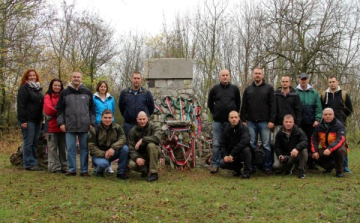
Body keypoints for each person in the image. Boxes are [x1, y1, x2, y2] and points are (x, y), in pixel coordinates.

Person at [57, 71, 95, 177]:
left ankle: (84, 170)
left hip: (84, 126)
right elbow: (59, 110)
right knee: (70, 148)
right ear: (71, 78)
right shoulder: (64, 93)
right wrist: (61, 123)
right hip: (69, 125)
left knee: (84, 149)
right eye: (74, 77)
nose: (76, 79)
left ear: (81, 78)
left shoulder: (87, 93)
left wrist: (92, 122)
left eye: (78, 77)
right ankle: (72, 169)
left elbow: (92, 109)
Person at [240, 68, 276, 174]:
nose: (257, 75)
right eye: (256, 73)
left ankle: (267, 166)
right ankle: (253, 166)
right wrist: (243, 120)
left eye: (259, 74)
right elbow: (244, 106)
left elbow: (273, 105)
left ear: (262, 75)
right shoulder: (248, 89)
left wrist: (272, 120)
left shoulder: (269, 88)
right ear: (253, 75)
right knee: (252, 144)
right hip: (251, 121)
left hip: (265, 122)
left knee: (266, 145)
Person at [207, 69, 241, 174]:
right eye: (223, 75)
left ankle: (232, 165)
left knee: (231, 143)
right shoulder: (215, 89)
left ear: (229, 76)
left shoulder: (235, 89)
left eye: (227, 75)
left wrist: (234, 117)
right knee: (216, 144)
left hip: (230, 123)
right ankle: (214, 165)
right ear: (219, 77)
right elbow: (209, 103)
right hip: (217, 121)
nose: (225, 77)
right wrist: (215, 113)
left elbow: (238, 103)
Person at [321, 76, 353, 173]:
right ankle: (330, 165)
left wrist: (342, 117)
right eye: (330, 82)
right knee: (327, 143)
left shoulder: (344, 94)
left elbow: (350, 109)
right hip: (327, 125)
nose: (332, 84)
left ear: (337, 82)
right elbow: (322, 109)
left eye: (333, 82)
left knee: (342, 144)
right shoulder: (323, 94)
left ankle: (345, 165)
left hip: (340, 124)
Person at [88, 109, 129, 179]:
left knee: (125, 148)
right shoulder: (95, 130)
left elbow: (123, 139)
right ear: (101, 118)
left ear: (112, 118)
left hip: (112, 152)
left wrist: (113, 148)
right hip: (99, 155)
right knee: (104, 164)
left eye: (109, 118)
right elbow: (91, 147)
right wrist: (104, 154)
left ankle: (121, 172)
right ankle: (98, 171)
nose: (107, 120)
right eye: (105, 118)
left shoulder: (117, 128)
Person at [17, 69, 44, 171]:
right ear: (26, 77)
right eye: (30, 76)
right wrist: (23, 120)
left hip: (37, 119)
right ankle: (28, 163)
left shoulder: (38, 89)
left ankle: (33, 162)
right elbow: (21, 105)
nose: (32, 77)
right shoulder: (24, 88)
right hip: (28, 120)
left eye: (34, 75)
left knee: (34, 142)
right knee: (28, 142)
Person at [296, 73, 322, 170]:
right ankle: (299, 162)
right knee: (299, 142)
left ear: (307, 80)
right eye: (302, 79)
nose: (303, 81)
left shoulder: (314, 93)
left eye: (305, 79)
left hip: (311, 122)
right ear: (299, 80)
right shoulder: (295, 92)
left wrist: (317, 119)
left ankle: (311, 162)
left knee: (311, 142)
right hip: (299, 123)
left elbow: (318, 107)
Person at [311, 108, 347, 178]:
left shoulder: (339, 125)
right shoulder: (319, 126)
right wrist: (314, 151)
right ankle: (329, 166)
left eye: (330, 114)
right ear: (322, 116)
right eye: (325, 114)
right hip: (325, 149)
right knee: (310, 155)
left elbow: (341, 139)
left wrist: (330, 149)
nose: (328, 116)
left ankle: (339, 171)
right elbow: (314, 139)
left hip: (337, 149)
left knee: (340, 151)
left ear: (333, 115)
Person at [118, 71, 155, 140]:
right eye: (135, 78)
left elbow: (151, 108)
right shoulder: (125, 93)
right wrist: (127, 115)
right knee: (129, 146)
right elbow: (121, 107)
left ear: (141, 79)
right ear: (132, 79)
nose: (136, 80)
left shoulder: (146, 93)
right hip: (129, 124)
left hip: (143, 125)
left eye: (138, 78)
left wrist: (145, 117)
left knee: (143, 145)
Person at [128, 111, 161, 182]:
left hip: (153, 153)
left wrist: (143, 139)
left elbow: (158, 138)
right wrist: (137, 158)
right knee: (131, 164)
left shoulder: (154, 127)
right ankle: (145, 170)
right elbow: (131, 148)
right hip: (141, 155)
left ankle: (154, 173)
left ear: (147, 119)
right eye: (140, 119)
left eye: (144, 119)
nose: (142, 121)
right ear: (137, 119)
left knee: (151, 145)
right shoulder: (133, 131)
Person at [43, 78, 66, 173]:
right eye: (55, 85)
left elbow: (67, 109)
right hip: (51, 127)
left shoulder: (64, 95)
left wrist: (56, 109)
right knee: (52, 148)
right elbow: (48, 109)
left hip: (63, 127)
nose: (57, 87)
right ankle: (54, 167)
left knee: (63, 148)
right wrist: (60, 110)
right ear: (51, 86)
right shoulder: (47, 96)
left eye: (59, 85)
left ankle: (64, 166)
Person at [220, 111, 252, 179]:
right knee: (222, 163)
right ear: (228, 119)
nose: (234, 119)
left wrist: (232, 153)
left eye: (235, 117)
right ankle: (237, 169)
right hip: (231, 156)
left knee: (246, 149)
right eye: (232, 117)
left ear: (239, 118)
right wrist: (225, 155)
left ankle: (247, 172)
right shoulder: (226, 130)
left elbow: (245, 141)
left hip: (242, 153)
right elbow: (222, 144)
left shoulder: (244, 128)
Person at [93, 80, 116, 173]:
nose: (103, 88)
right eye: (101, 86)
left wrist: (110, 119)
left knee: (109, 144)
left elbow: (113, 110)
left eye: (104, 87)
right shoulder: (94, 98)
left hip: (109, 124)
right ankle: (96, 166)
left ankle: (109, 165)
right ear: (98, 87)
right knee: (98, 145)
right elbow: (91, 110)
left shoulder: (111, 98)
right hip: (98, 124)